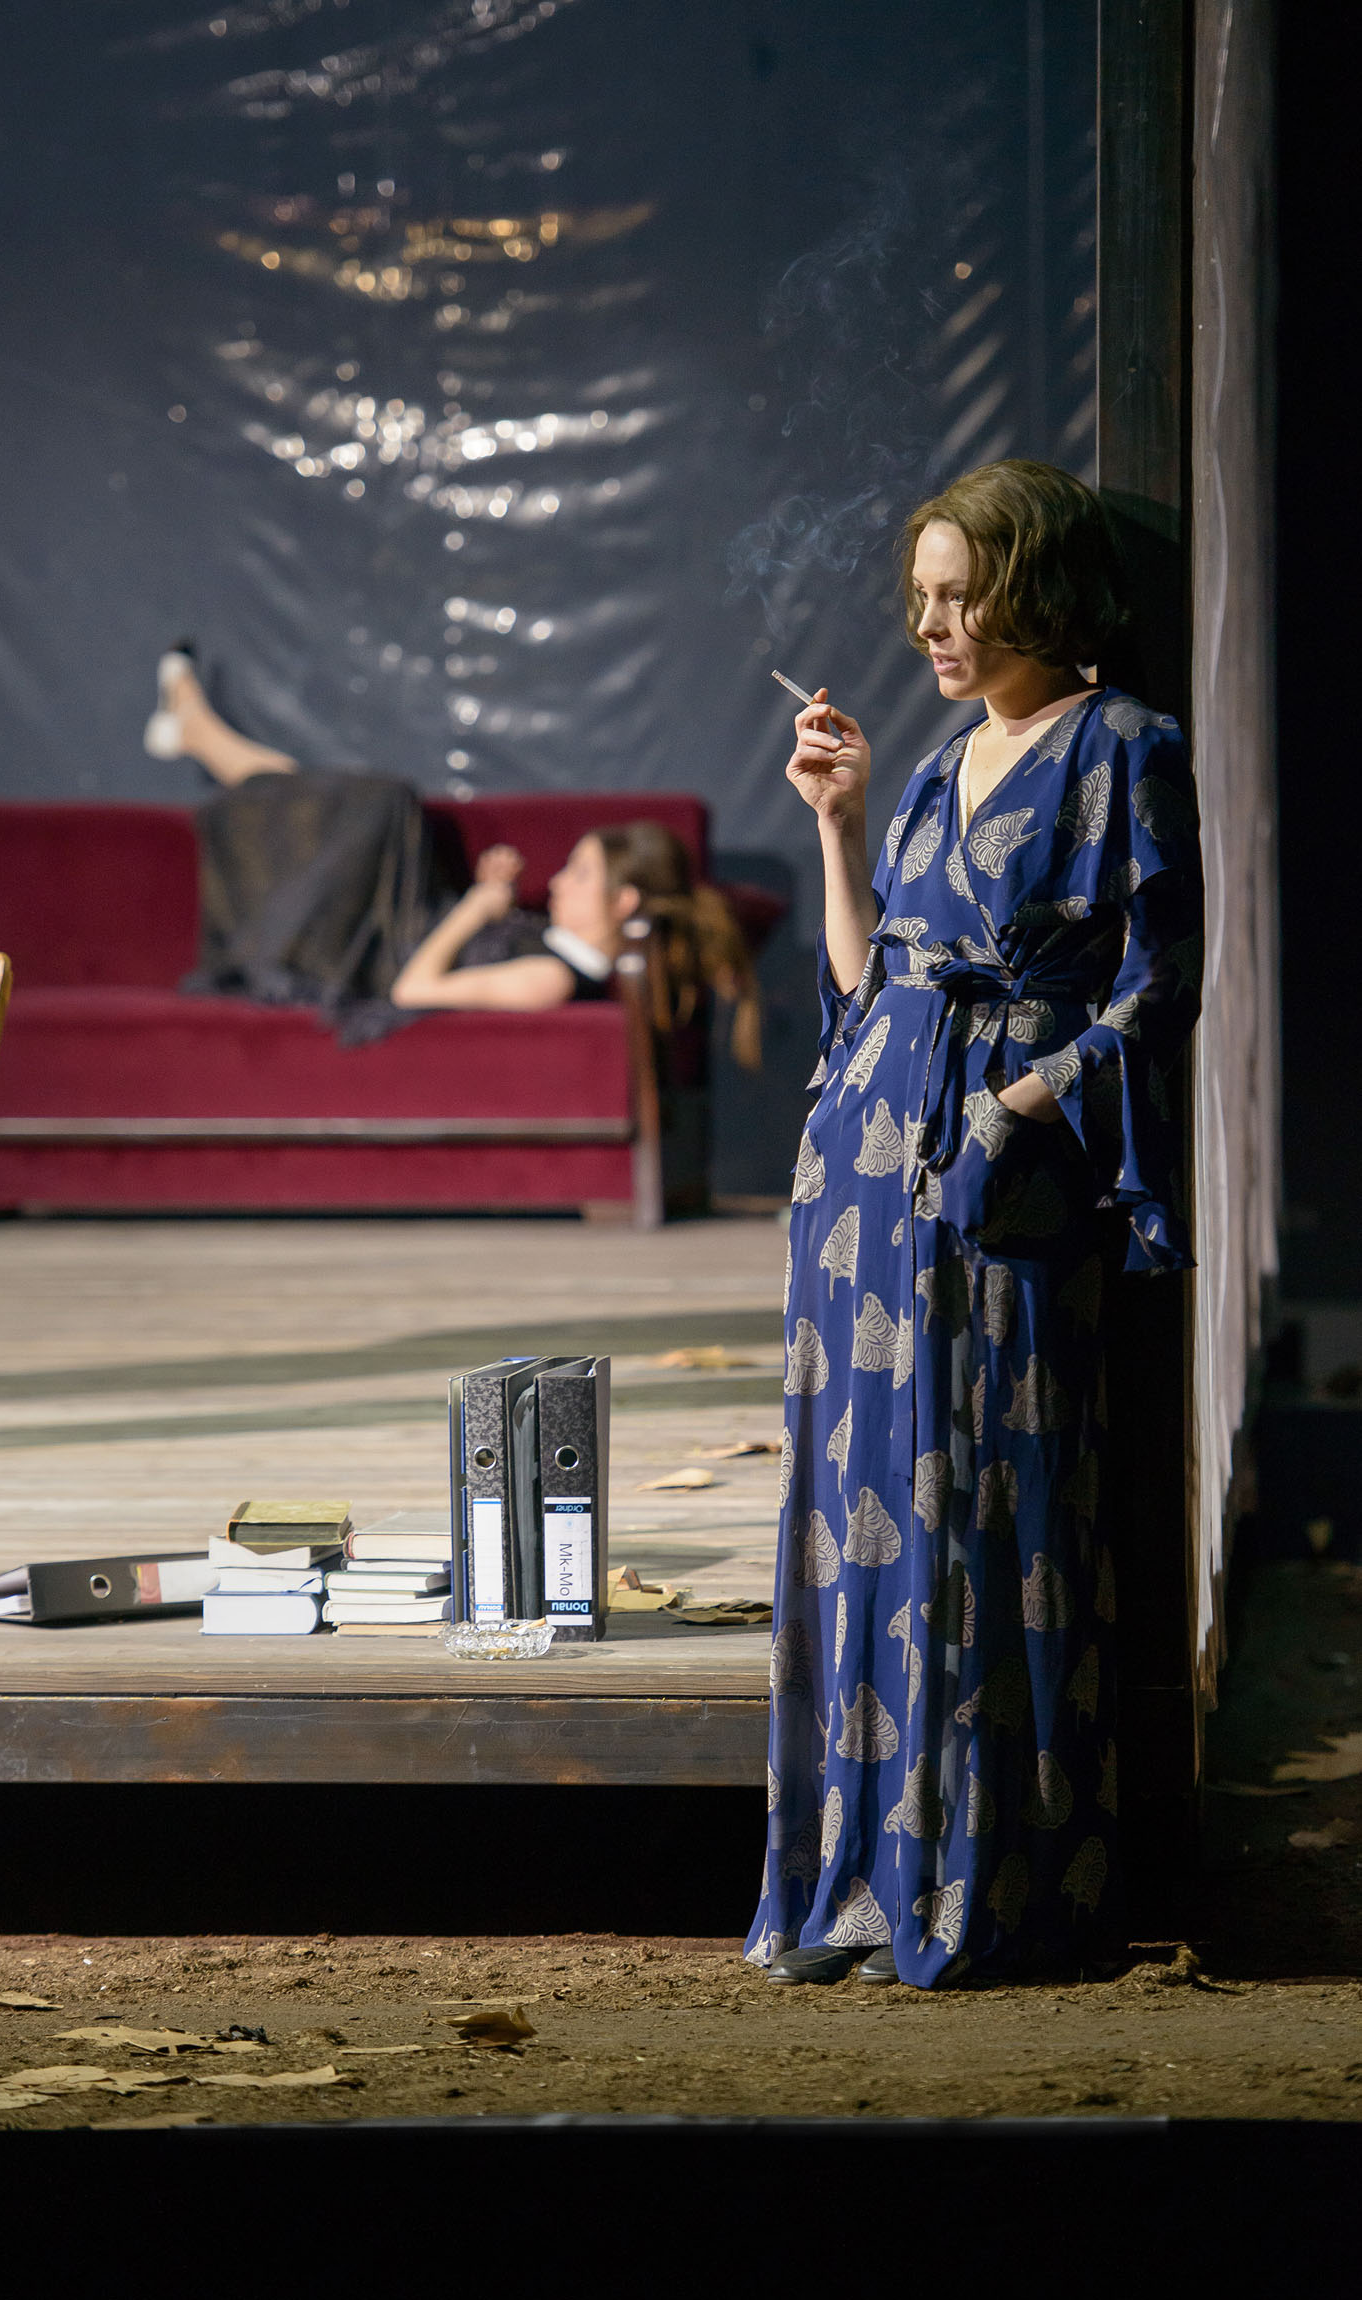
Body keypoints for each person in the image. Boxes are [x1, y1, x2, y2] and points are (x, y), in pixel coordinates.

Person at [747, 459, 1203, 1990]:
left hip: (993, 1181)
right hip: (862, 1177)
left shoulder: (1124, 748)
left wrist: (1020, 1107)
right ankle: (864, 1888)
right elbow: (872, 981)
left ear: (1040, 591)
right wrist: (840, 821)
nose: (934, 626)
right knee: (860, 1502)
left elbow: (1158, 987)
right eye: (924, 598)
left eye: (964, 595)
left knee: (982, 1505)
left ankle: (984, 1881)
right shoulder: (942, 765)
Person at [147, 650, 760, 1061]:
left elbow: (414, 992)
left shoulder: (551, 977)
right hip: (405, 920)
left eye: (579, 874)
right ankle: (199, 731)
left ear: (621, 901)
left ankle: (198, 731)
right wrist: (495, 904)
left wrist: (477, 908)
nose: (556, 882)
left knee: (379, 805)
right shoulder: (549, 948)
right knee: (364, 810)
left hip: (377, 953)